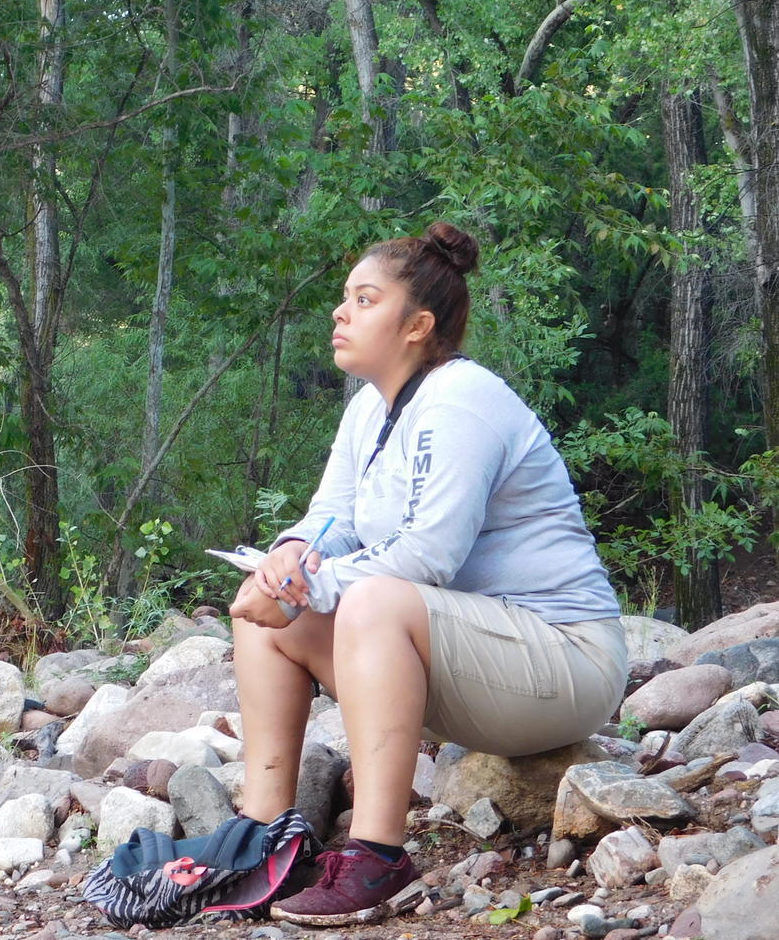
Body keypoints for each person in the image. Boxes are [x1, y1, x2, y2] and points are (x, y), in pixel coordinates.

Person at [228, 222, 626, 928]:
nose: (340, 312)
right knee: (259, 612)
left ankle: (377, 855)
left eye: (364, 298)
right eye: (343, 298)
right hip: (467, 663)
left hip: (563, 659)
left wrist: (311, 590)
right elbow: (331, 518)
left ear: (417, 326)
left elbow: (427, 558)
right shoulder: (366, 412)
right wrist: (287, 559)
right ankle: (262, 839)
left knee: (370, 601)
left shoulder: (463, 400)